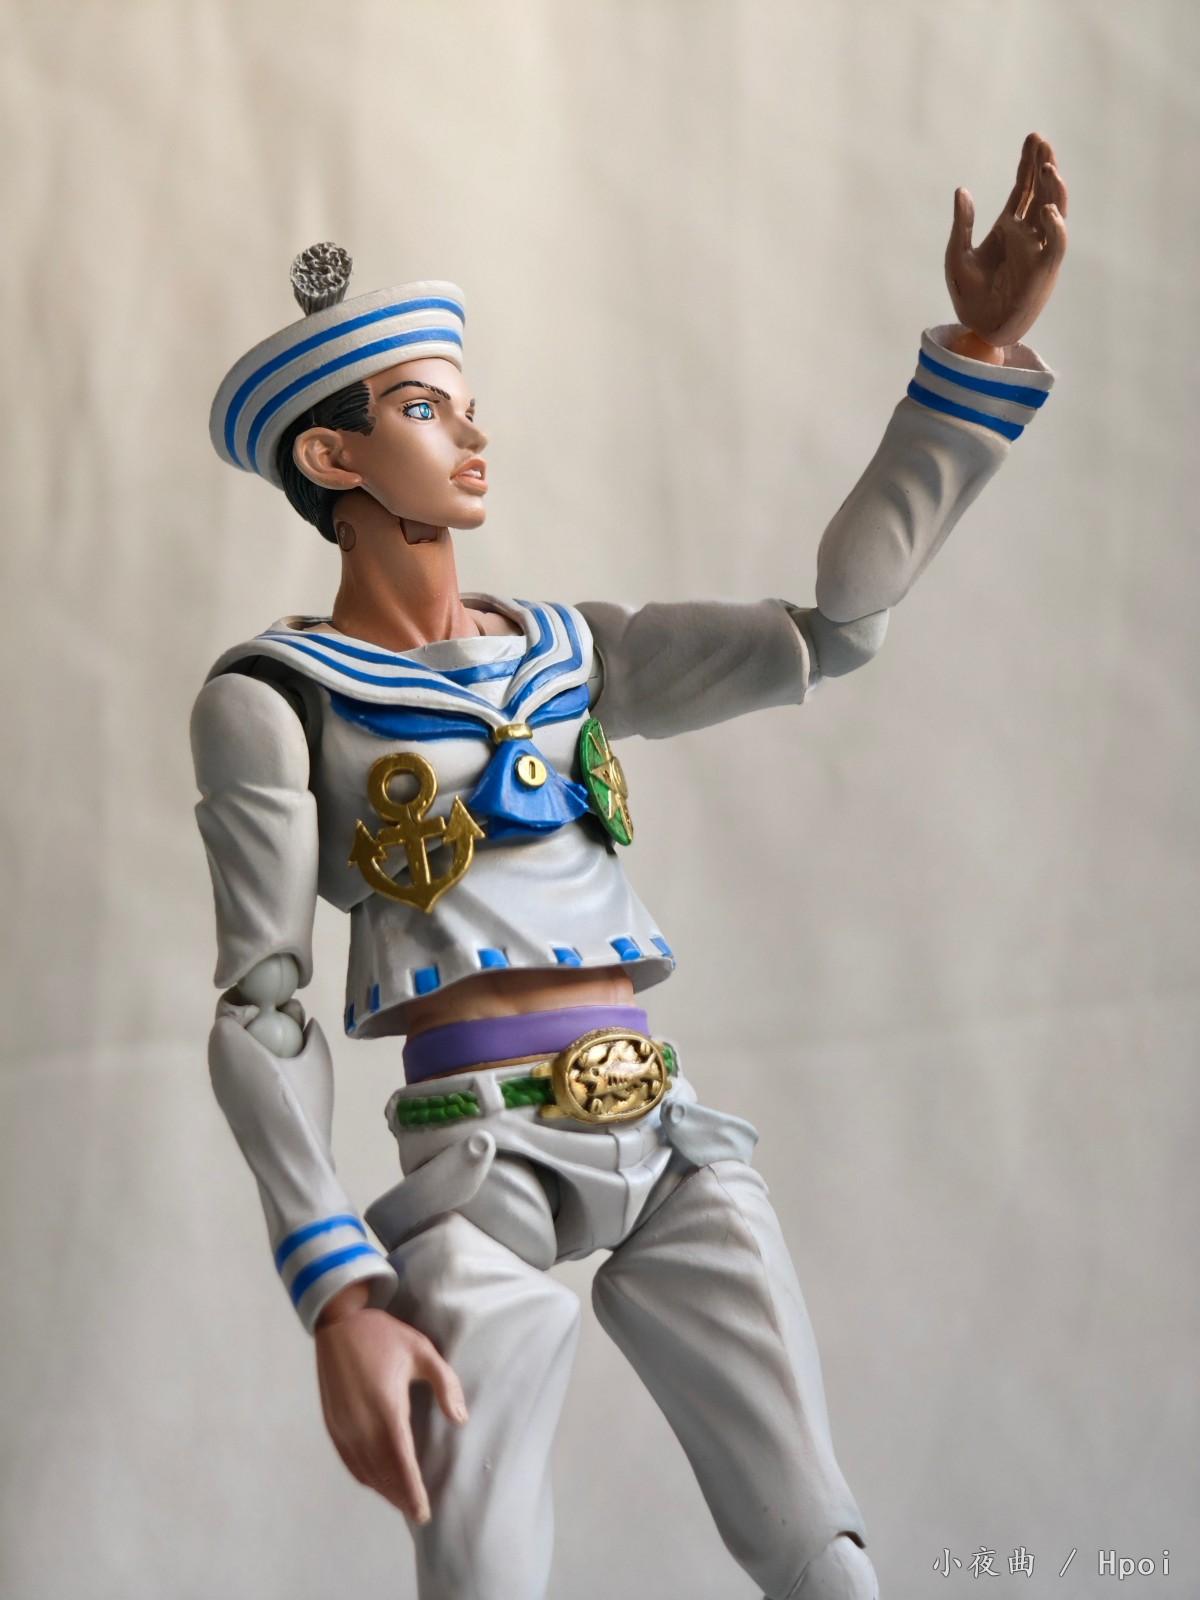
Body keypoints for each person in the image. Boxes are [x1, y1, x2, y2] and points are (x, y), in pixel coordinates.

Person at [192, 134, 1067, 1600]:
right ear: (333, 458)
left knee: (822, 1543)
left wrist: (968, 366)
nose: (472, 437)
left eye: (469, 405)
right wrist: (338, 1287)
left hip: (668, 1131)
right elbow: (264, 1005)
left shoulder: (571, 651)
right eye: (423, 410)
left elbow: (830, 634)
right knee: (481, 1557)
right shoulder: (278, 695)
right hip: (476, 1156)